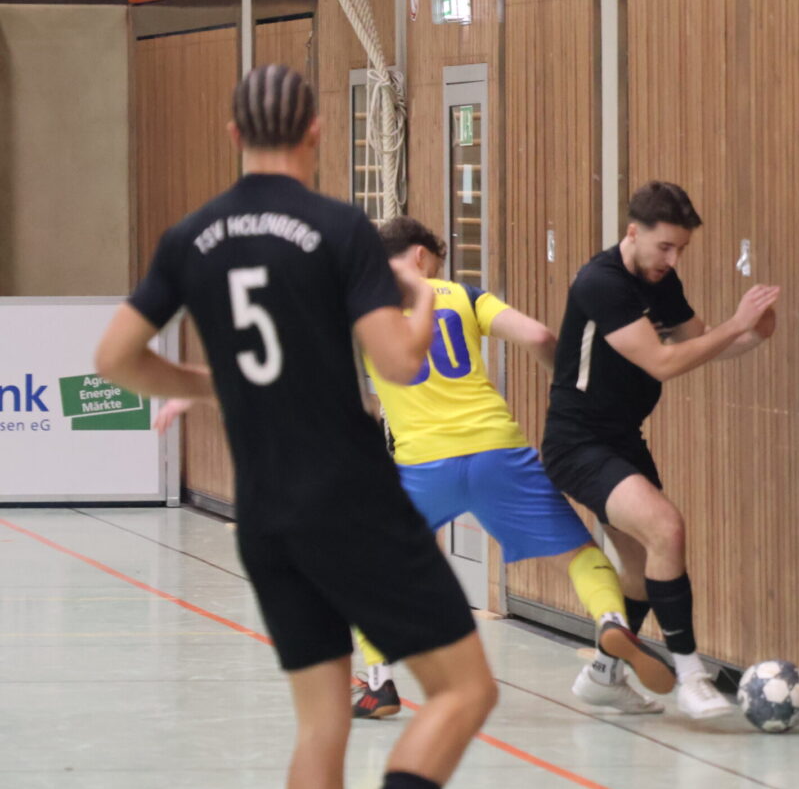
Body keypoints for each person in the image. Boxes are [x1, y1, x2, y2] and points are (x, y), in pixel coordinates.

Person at [94, 65, 496, 789]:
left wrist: (211, 383)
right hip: (350, 503)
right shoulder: (339, 229)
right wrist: (421, 299)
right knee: (464, 690)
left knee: (321, 724)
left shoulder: (189, 237)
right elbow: (399, 362)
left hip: (265, 518)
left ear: (233, 135)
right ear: (315, 131)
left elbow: (115, 359)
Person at [161, 216, 678, 716]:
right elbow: (541, 337)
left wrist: (210, 386)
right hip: (498, 453)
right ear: (421, 255)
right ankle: (611, 620)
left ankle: (379, 684)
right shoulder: (464, 296)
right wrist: (570, 392)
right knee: (580, 556)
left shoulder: (361, 312)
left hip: (423, 467)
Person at [541, 181, 780, 720]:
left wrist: (753, 335)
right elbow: (664, 362)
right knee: (666, 529)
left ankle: (602, 676)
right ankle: (691, 676)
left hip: (622, 438)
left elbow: (698, 342)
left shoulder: (661, 279)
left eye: (681, 249)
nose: (672, 260)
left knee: (640, 566)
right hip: (577, 442)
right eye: (665, 247)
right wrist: (735, 326)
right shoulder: (601, 283)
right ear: (633, 232)